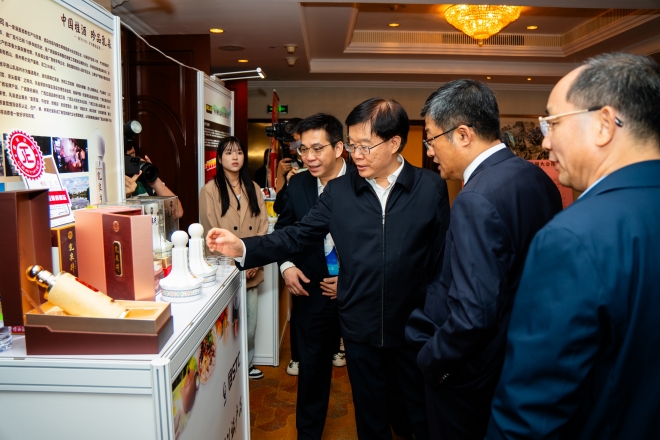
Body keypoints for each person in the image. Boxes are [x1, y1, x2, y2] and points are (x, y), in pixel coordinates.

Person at [207, 98, 450, 440]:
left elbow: (440, 261)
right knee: (370, 415)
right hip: (360, 327)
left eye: (365, 146)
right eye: (352, 145)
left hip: (411, 325)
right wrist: (244, 248)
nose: (356, 154)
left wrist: (434, 318)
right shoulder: (340, 191)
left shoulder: (430, 188)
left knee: (414, 412)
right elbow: (296, 234)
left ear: (394, 142)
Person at [487, 53, 660, 439]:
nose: (545, 141)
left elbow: (533, 412)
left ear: (604, 124)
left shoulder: (574, 236)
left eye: (552, 123)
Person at [405, 79, 562, 439]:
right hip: (516, 357)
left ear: (463, 134)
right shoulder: (535, 177)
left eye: (431, 139)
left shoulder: (476, 197)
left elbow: (474, 314)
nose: (430, 151)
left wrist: (432, 360)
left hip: (470, 373)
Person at [275, 113, 351, 438]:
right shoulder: (298, 184)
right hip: (311, 292)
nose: (309, 157)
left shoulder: (363, 181)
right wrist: (286, 266)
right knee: (311, 375)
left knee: (371, 376)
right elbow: (284, 230)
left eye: (317, 149)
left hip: (358, 294)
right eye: (303, 149)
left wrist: (350, 280)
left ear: (339, 148)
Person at [199, 136, 269, 380]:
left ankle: (247, 364)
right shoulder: (209, 190)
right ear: (219, 159)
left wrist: (253, 261)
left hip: (251, 267)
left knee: (249, 324)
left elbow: (263, 226)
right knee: (226, 326)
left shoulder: (254, 188)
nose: (235, 157)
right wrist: (236, 263)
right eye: (229, 153)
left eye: (239, 152)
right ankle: (229, 371)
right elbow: (211, 232)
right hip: (225, 270)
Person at [124, 144, 184, 218]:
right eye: (127, 158)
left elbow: (177, 212)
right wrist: (124, 195)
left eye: (132, 155)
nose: (131, 160)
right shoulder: (113, 185)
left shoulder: (143, 182)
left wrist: (153, 179)